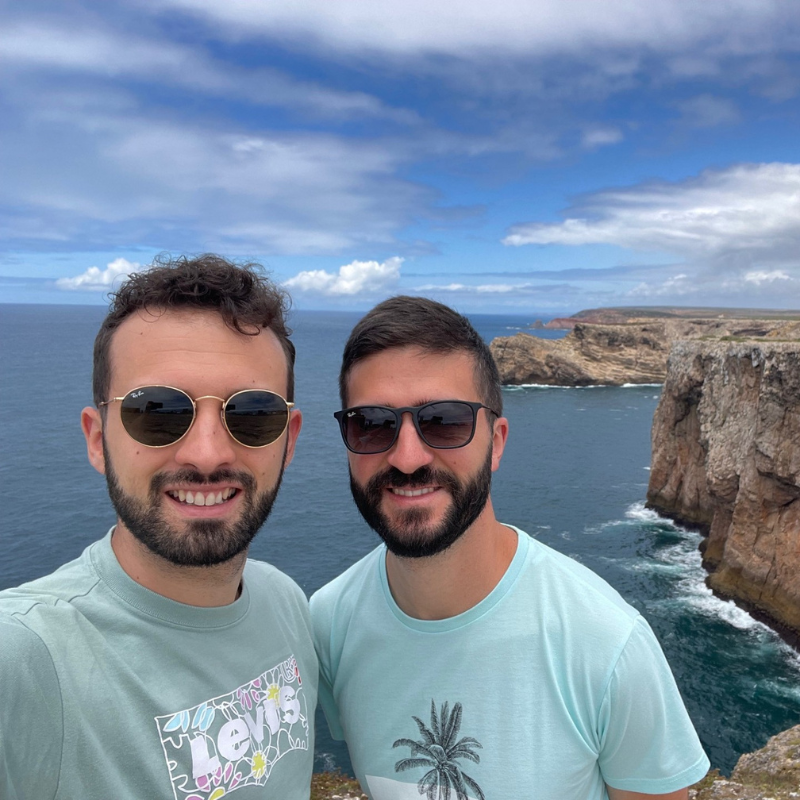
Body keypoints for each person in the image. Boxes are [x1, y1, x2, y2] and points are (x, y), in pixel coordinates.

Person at [310, 296, 709, 800]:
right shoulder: (329, 624)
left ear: (496, 442)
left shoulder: (607, 644)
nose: (408, 458)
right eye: (372, 423)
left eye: (444, 420)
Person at [0, 255, 317, 799]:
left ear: (288, 440)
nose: (207, 453)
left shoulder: (285, 602)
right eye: (158, 411)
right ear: (97, 439)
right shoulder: (23, 658)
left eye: (252, 414)